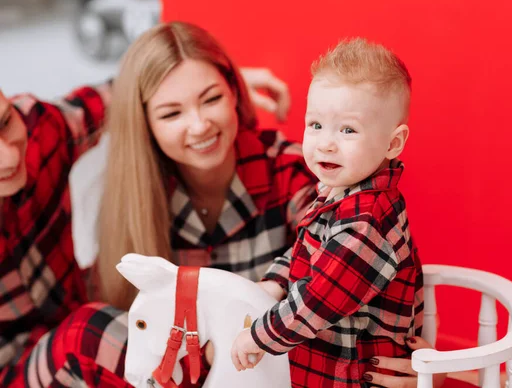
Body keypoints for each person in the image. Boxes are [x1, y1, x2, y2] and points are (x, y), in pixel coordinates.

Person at [0, 21, 441, 388]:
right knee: (89, 332)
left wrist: (416, 360)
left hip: (265, 370)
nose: (198, 124)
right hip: (162, 369)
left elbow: (343, 261)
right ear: (146, 125)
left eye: (211, 98)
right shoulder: (144, 192)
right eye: (171, 113)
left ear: (234, 92)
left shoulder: (302, 172)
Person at [231, 38, 425, 388]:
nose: (325, 143)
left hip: (354, 375)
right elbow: (307, 251)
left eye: (348, 130)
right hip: (321, 367)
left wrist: (259, 336)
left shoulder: (368, 219)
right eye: (316, 125)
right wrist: (275, 281)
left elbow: (322, 296)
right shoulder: (341, 194)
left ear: (392, 144)